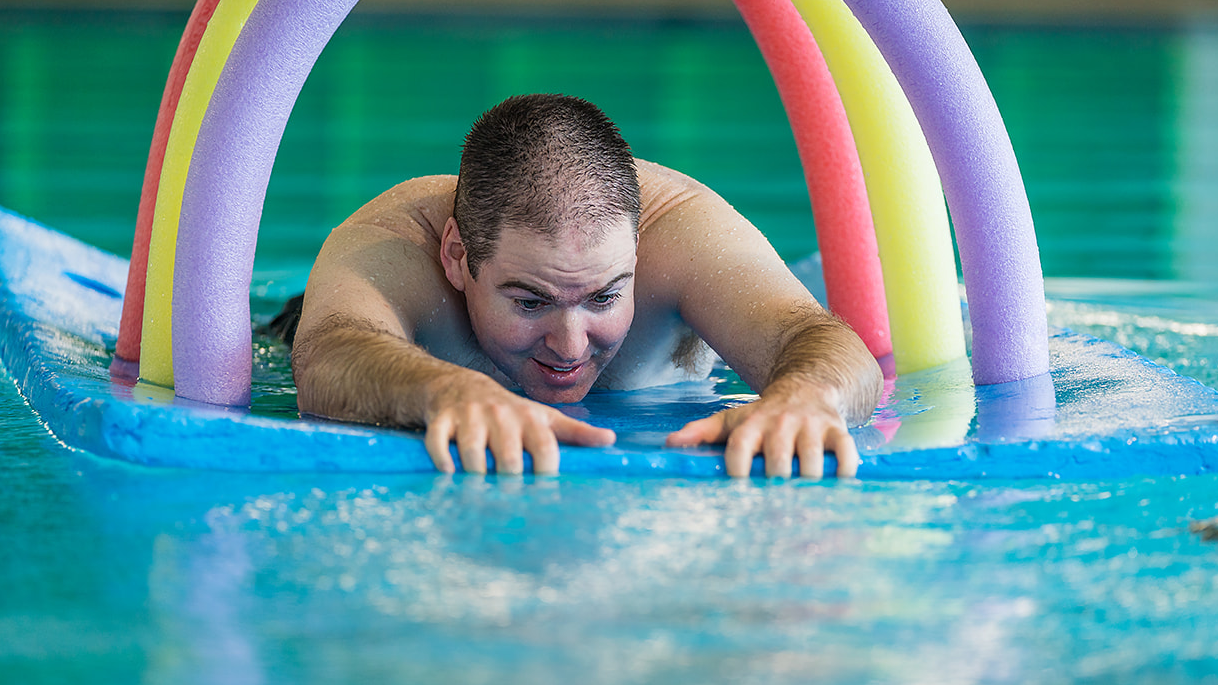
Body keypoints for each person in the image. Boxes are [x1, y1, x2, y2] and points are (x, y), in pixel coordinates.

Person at [278, 92, 883, 477]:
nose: (569, 346)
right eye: (530, 302)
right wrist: (444, 389)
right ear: (458, 256)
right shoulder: (392, 244)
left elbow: (823, 342)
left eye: (604, 297)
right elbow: (326, 357)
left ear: (638, 251)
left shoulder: (688, 237)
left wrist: (806, 396)